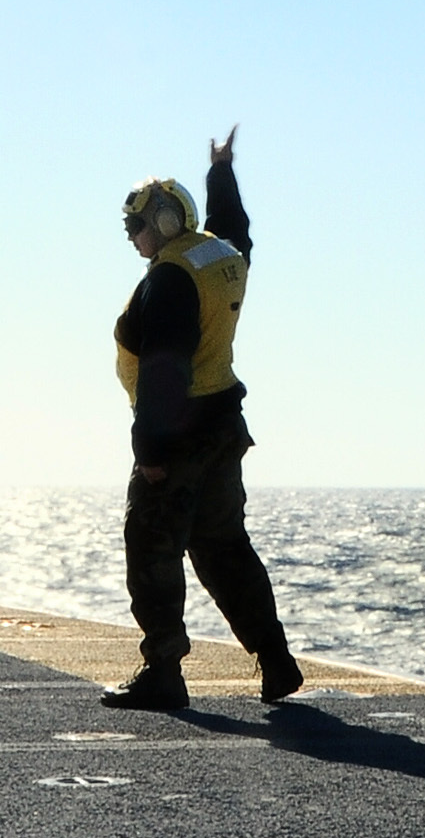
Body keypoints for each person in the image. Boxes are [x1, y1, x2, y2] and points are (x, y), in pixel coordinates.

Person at [103, 127, 302, 711]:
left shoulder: (170, 276)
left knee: (152, 542)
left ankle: (163, 670)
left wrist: (151, 453)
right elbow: (234, 225)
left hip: (181, 434)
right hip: (223, 426)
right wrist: (221, 171)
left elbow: (164, 372)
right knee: (223, 545)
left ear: (163, 222)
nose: (132, 237)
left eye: (136, 225)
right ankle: (276, 660)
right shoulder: (221, 256)